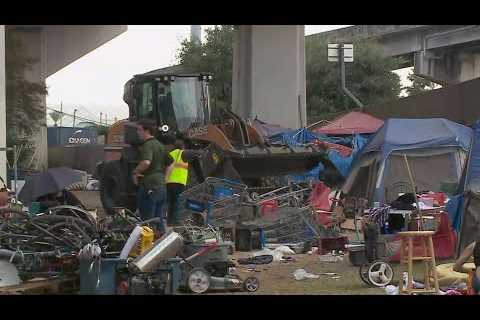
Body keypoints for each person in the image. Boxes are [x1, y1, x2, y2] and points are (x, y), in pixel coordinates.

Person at [132, 119, 173, 236]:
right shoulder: (160, 145)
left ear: (146, 131)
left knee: (147, 221)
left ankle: (147, 249)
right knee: (158, 218)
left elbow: (146, 162)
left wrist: (135, 171)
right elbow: (171, 163)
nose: (138, 133)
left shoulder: (148, 145)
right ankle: (162, 244)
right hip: (161, 187)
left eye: (139, 130)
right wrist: (165, 179)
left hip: (149, 186)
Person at [165, 138, 201, 226]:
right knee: (178, 202)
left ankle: (169, 221)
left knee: (171, 202)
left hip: (169, 182)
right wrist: (202, 151)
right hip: (178, 182)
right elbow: (194, 153)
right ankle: (176, 221)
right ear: (183, 147)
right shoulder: (182, 153)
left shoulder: (171, 154)